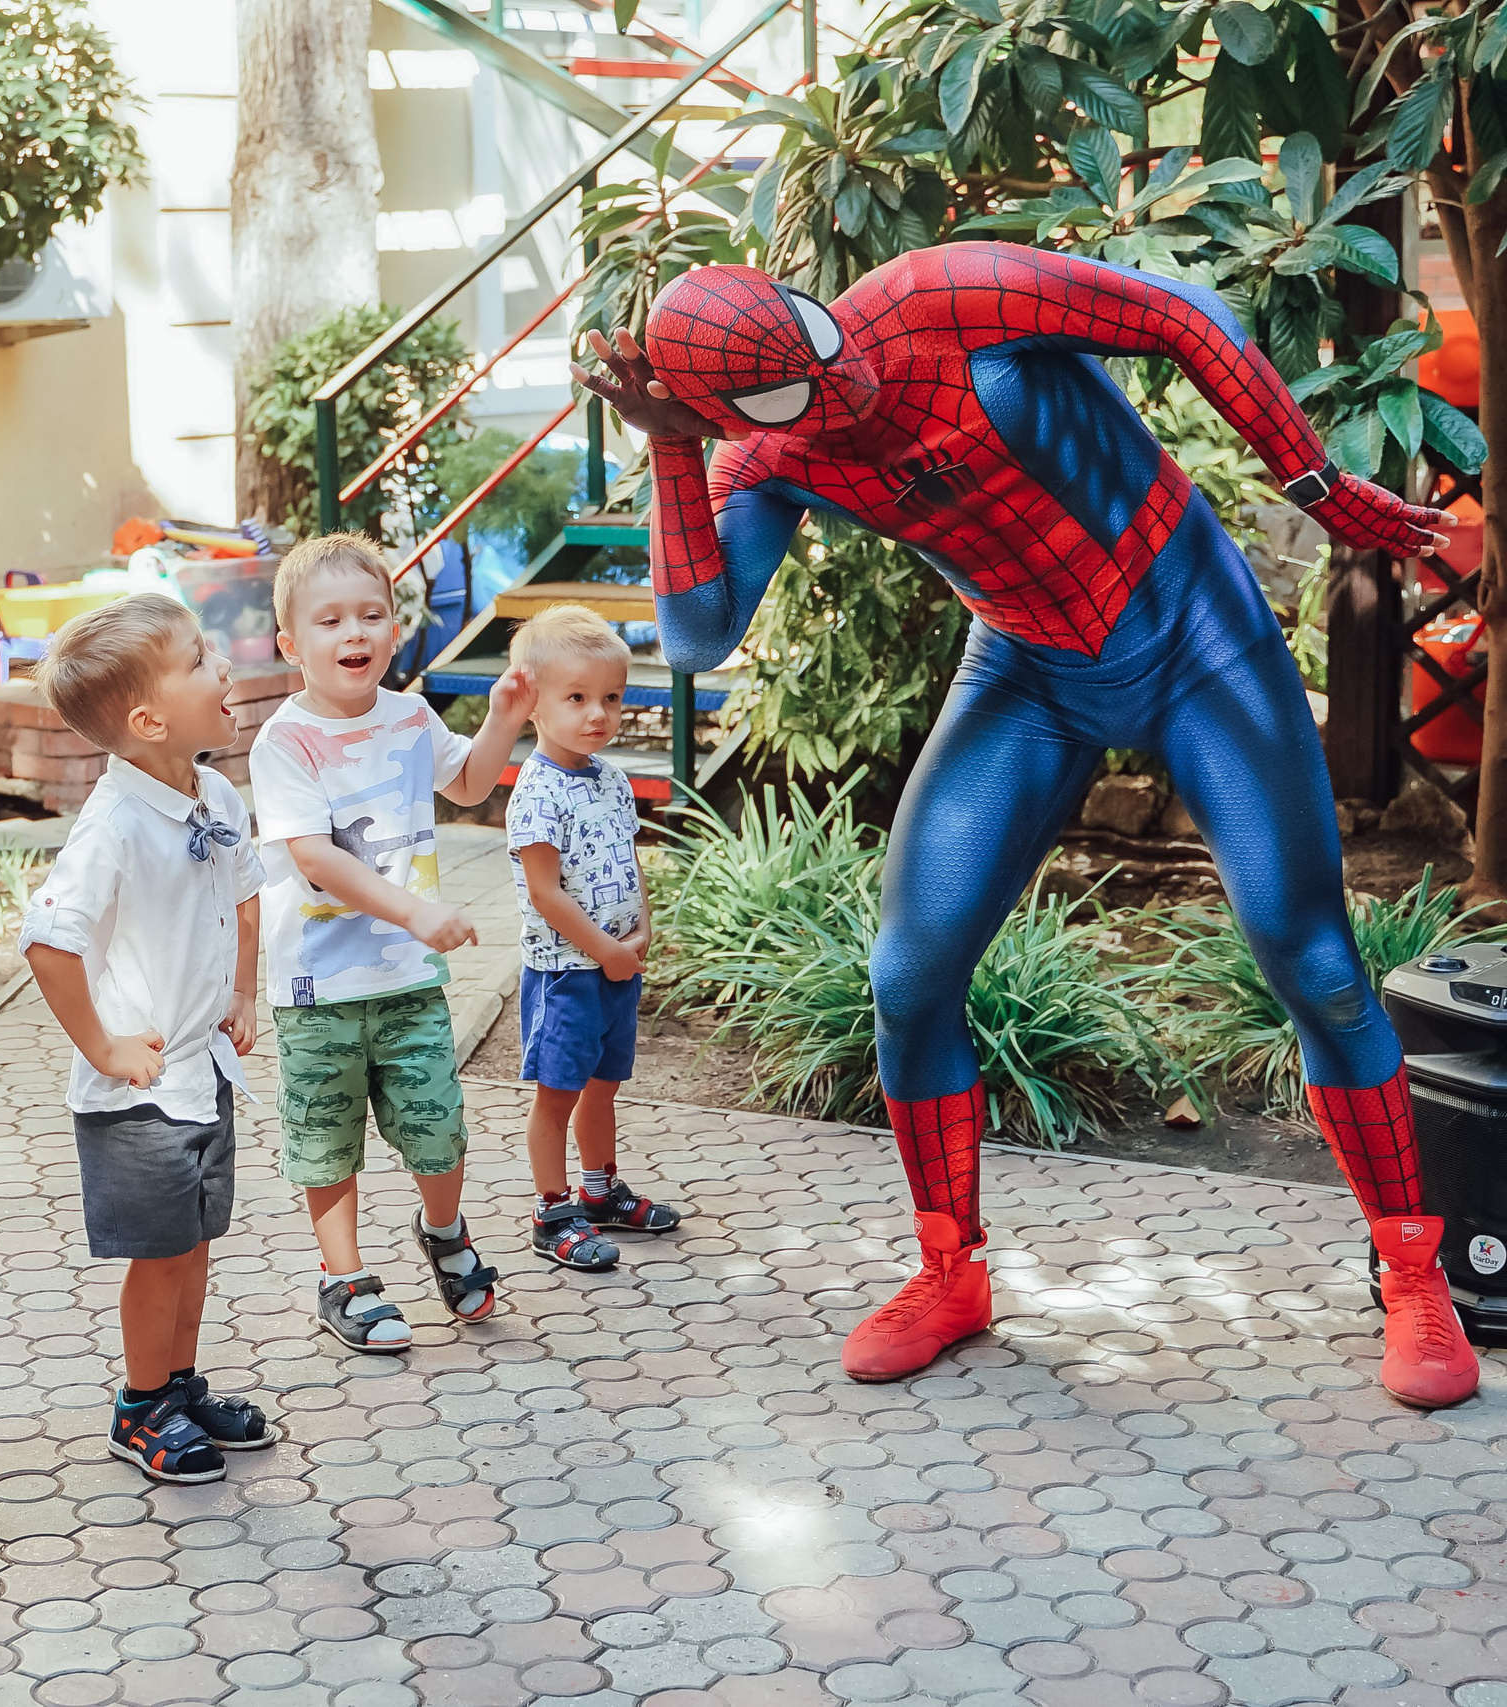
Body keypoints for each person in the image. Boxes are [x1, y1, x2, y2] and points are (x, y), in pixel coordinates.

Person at [575, 242, 1479, 1408]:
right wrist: (673, 448)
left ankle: (1414, 1274)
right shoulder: (762, 457)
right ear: (730, 415)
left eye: (818, 338)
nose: (841, 381)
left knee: (1313, 962)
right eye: (790, 391)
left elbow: (1184, 315)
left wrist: (1311, 481)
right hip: (1028, 667)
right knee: (908, 976)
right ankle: (949, 1272)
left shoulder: (937, 298)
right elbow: (697, 637)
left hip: (1193, 629)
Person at [250, 533, 535, 1353]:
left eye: (372, 615)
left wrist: (503, 718)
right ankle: (344, 1277)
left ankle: (444, 1231)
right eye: (331, 620)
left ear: (395, 627)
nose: (356, 633)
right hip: (318, 988)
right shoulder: (284, 742)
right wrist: (414, 910)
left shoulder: (410, 716)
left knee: (438, 1126)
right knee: (327, 1138)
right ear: (291, 645)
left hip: (409, 979)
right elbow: (315, 857)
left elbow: (469, 783)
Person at [18, 594, 276, 1483]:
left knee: (196, 1245)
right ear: (148, 720)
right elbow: (48, 941)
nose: (224, 665)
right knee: (160, 1257)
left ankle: (179, 1385)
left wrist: (242, 992)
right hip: (141, 1094)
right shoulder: (115, 825)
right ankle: (140, 1407)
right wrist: (104, 1047)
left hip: (203, 1070)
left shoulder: (214, 792)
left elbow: (246, 891)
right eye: (200, 658)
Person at [500, 606, 679, 1271]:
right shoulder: (536, 792)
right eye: (576, 698)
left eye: (611, 697)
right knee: (558, 1094)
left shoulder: (612, 779)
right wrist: (606, 951)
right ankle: (552, 1212)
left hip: (615, 968)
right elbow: (546, 893)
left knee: (604, 1085)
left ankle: (599, 1192)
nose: (598, 714)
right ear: (534, 703)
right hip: (566, 975)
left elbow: (630, 861)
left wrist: (642, 929)